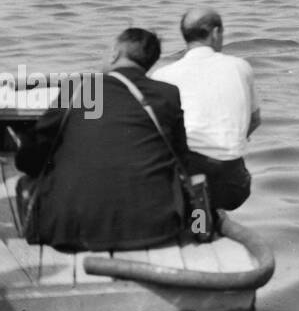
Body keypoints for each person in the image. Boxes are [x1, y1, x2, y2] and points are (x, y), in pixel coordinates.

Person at [17, 28, 191, 252]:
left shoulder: (80, 88)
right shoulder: (167, 93)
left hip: (72, 231)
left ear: (114, 54)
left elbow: (31, 157)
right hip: (157, 228)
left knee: (26, 182)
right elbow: (182, 159)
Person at [151, 8, 259, 212]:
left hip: (188, 173)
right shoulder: (240, 67)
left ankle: (201, 218)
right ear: (215, 33)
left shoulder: (162, 75)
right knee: (210, 207)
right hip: (233, 182)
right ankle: (211, 218)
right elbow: (254, 120)